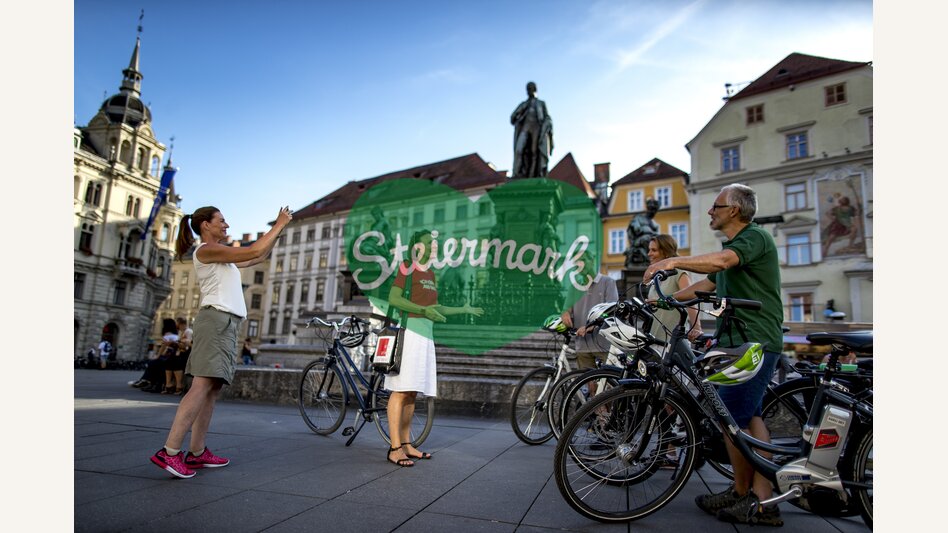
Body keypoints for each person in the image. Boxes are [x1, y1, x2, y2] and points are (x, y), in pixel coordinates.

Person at [643, 184, 784, 526]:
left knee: (731, 420)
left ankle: (749, 496)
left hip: (755, 342)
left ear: (734, 210)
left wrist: (672, 260)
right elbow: (703, 286)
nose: (710, 211)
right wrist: (662, 300)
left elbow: (721, 262)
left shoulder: (753, 238)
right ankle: (758, 496)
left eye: (716, 206)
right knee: (749, 418)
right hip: (738, 341)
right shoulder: (734, 249)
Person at [150, 205, 292, 479]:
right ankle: (170, 451)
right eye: (222, 221)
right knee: (201, 385)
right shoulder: (206, 250)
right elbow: (252, 251)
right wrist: (278, 225)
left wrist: (279, 230)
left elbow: (258, 256)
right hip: (215, 321)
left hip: (226, 323)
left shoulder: (222, 257)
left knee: (212, 388)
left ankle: (197, 452)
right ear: (206, 224)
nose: (226, 225)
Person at [385, 230, 483, 467]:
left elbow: (434, 307)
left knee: (412, 392)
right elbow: (394, 299)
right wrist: (422, 310)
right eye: (429, 242)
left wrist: (463, 309)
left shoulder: (430, 273)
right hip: (409, 334)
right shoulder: (407, 267)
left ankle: (406, 444)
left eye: (435, 242)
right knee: (400, 390)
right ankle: (394, 448)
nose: (434, 246)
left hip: (425, 335)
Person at [560, 252, 617, 394]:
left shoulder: (608, 282)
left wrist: (591, 326)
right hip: (582, 344)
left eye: (583, 260)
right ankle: (597, 408)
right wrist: (565, 313)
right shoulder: (574, 287)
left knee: (609, 387)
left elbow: (612, 311)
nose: (580, 265)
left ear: (593, 260)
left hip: (604, 343)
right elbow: (566, 309)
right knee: (591, 387)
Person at [646, 235, 701, 344]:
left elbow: (691, 300)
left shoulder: (678, 272)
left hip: (673, 341)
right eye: (649, 250)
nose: (649, 254)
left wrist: (696, 328)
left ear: (666, 252)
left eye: (654, 250)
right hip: (654, 339)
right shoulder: (657, 276)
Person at [510, 81, 553, 178]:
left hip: (537, 129)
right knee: (519, 149)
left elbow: (547, 117)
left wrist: (547, 125)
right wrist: (519, 117)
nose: (529, 91)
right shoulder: (523, 104)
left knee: (534, 152)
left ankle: (533, 174)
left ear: (535, 89)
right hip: (525, 129)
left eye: (531, 88)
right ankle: (517, 173)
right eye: (528, 89)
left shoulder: (541, 103)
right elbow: (512, 118)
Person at [625, 198, 660, 267]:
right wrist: (647, 230)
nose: (652, 212)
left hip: (650, 239)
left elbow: (657, 234)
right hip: (638, 241)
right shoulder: (638, 218)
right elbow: (636, 229)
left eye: (654, 210)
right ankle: (649, 259)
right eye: (651, 209)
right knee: (648, 238)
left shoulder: (654, 223)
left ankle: (656, 260)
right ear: (648, 209)